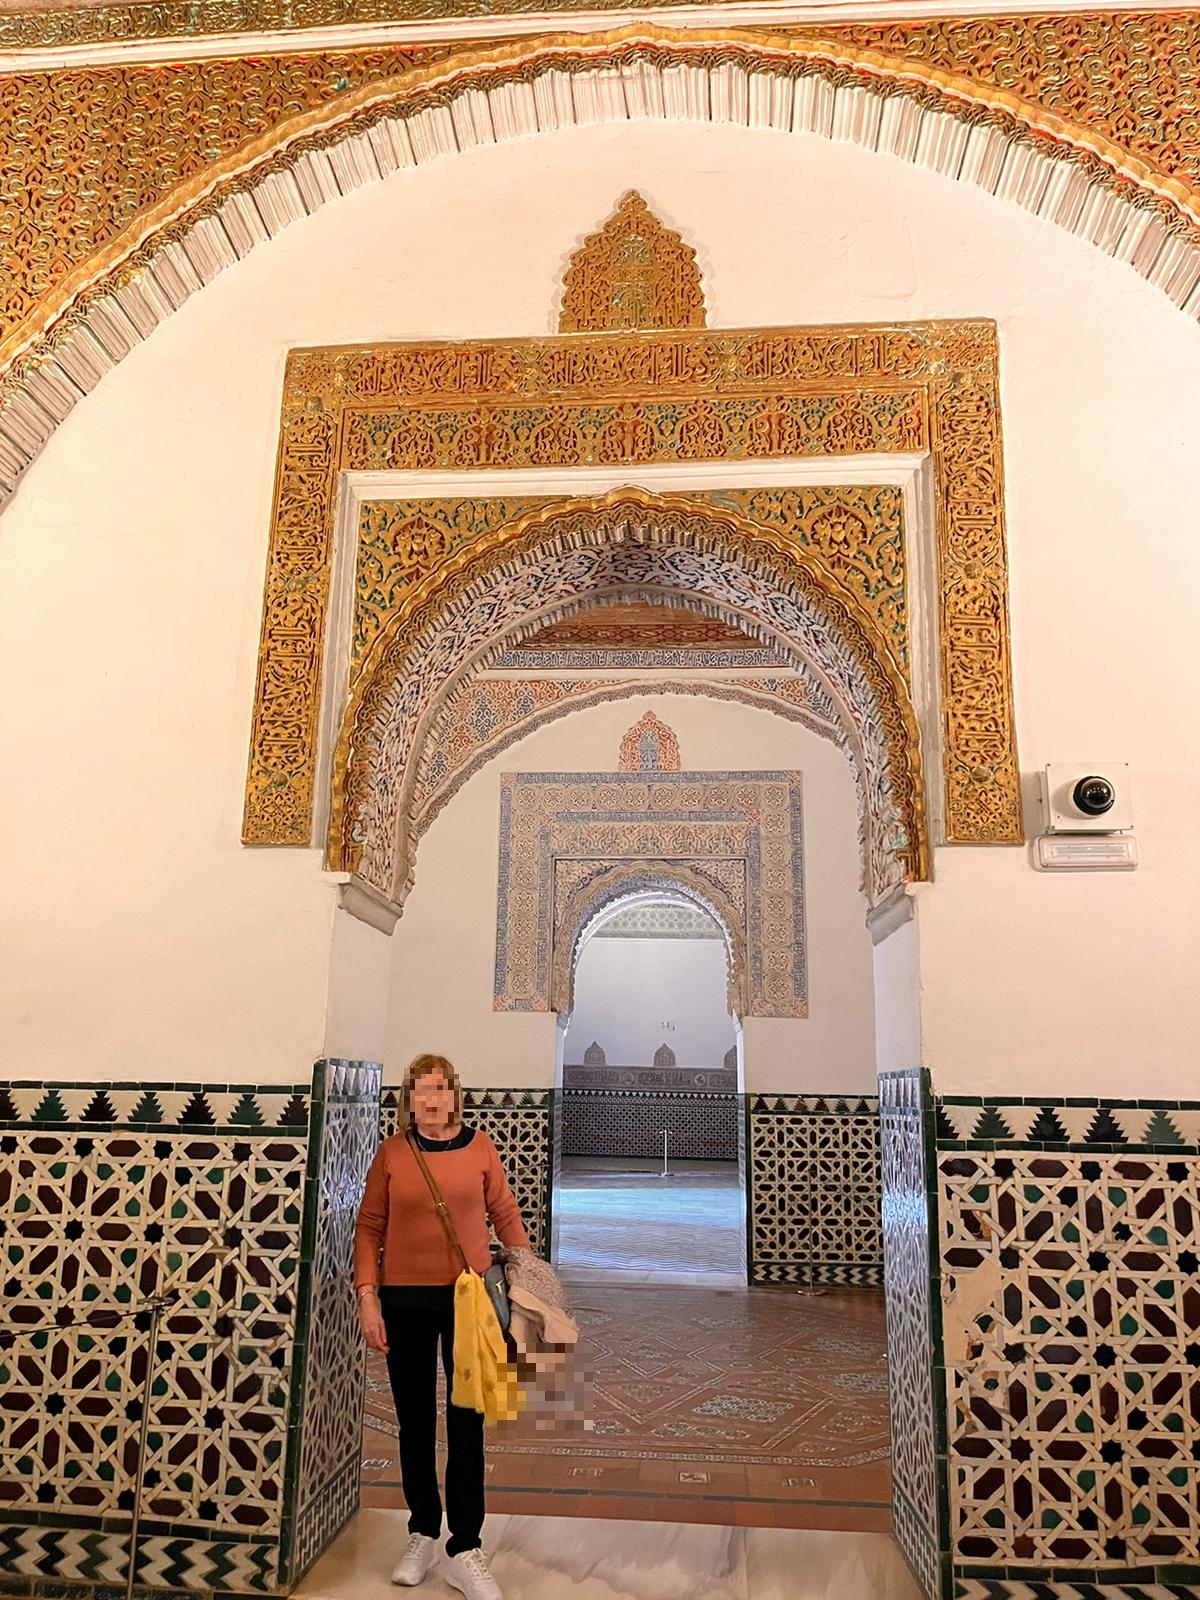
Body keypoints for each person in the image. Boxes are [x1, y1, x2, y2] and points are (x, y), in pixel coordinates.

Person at [353, 1054, 530, 1600]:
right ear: (408, 1099)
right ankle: (423, 1531)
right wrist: (367, 1298)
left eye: (439, 1090)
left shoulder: (479, 1149)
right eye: (419, 1092)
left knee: (466, 1423)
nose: (430, 1101)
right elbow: (369, 1226)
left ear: (455, 1095)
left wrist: (526, 1288)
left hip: (469, 1303)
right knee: (412, 1421)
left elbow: (504, 1213)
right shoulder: (392, 1153)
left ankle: (466, 1547)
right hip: (403, 1302)